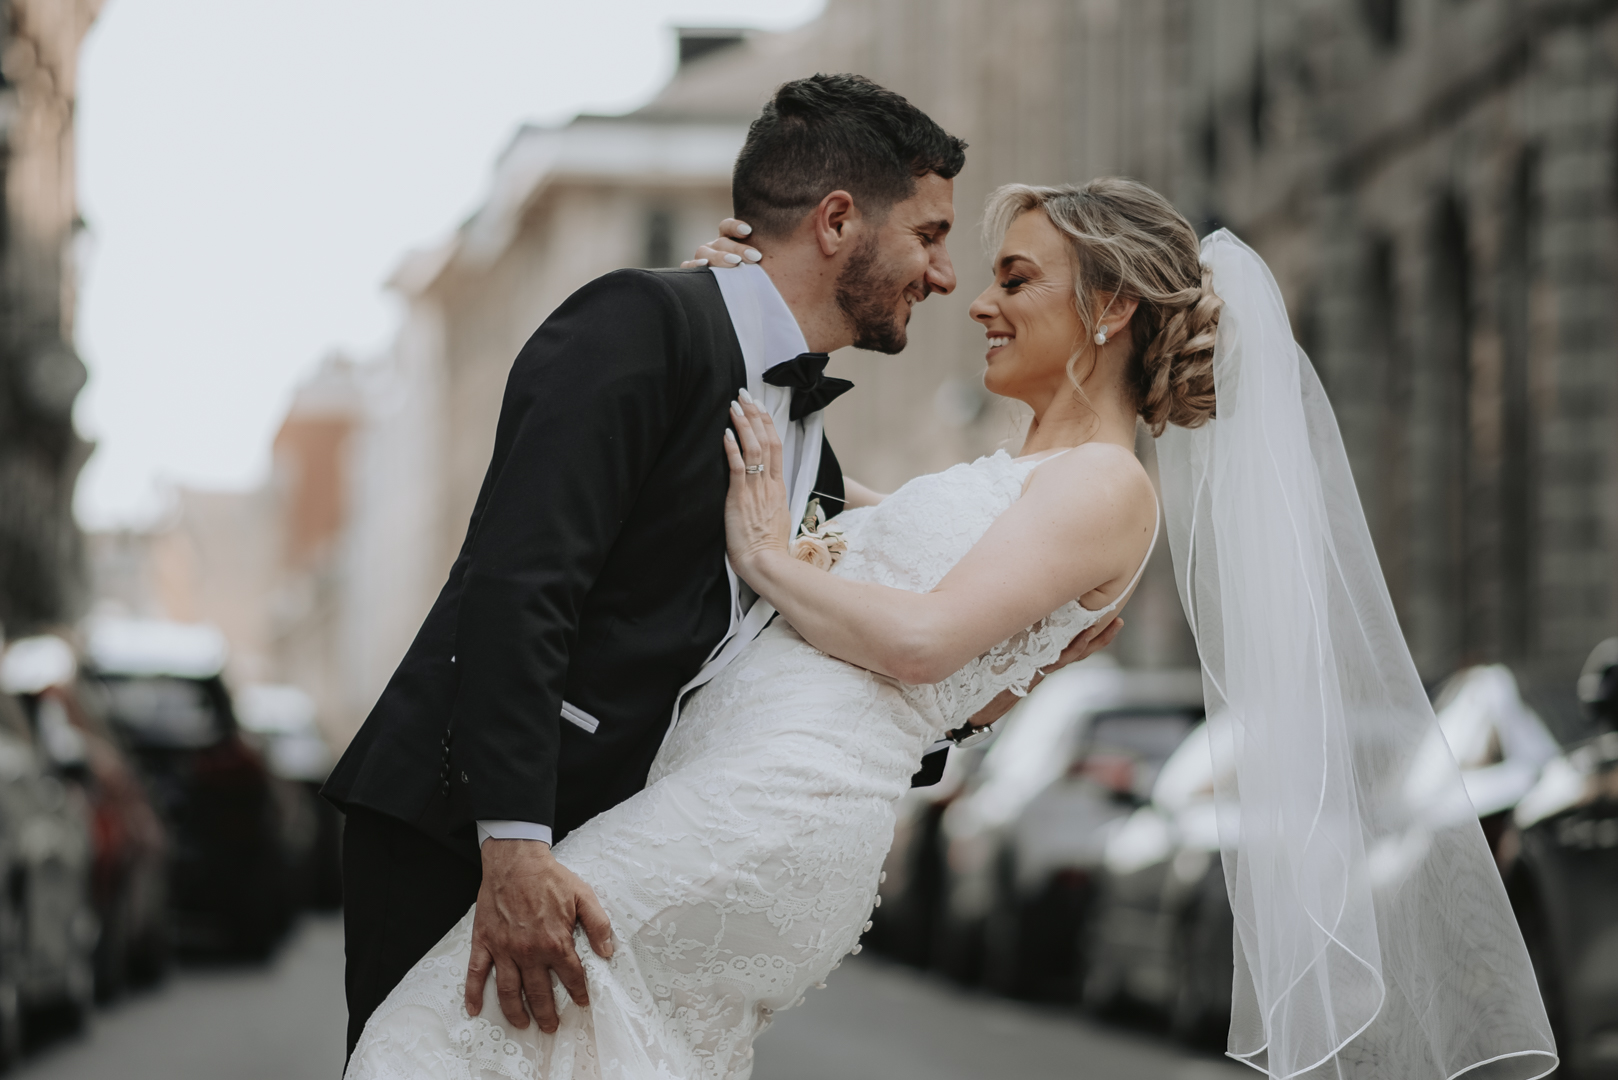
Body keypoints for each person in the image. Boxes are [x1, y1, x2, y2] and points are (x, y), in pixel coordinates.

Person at [349, 173, 1558, 1080]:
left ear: (1108, 311)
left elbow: (918, 640)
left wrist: (769, 556)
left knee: (431, 1042)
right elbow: (830, 511)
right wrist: (749, 322)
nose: (977, 302)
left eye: (1016, 278)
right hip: (755, 793)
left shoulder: (1105, 488)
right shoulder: (1025, 482)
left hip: (777, 808)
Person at [323, 74, 1122, 1066]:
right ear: (838, 223)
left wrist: (1011, 669)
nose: (945, 276)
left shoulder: (800, 442)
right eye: (927, 235)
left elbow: (822, 665)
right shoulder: (637, 323)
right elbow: (521, 584)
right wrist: (515, 844)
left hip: (624, 839)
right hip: (469, 824)